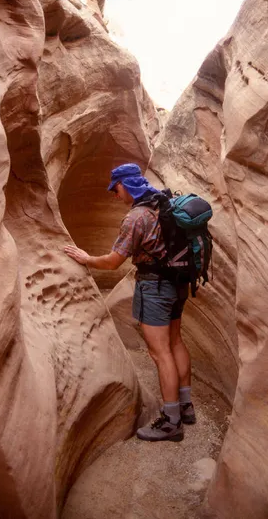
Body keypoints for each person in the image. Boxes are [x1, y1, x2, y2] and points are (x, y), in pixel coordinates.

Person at [64, 163, 195, 442]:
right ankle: (186, 406)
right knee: (175, 342)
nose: (115, 195)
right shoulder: (165, 204)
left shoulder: (136, 217)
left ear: (126, 185)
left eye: (116, 189)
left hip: (155, 287)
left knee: (161, 354)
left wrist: (87, 259)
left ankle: (172, 422)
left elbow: (113, 262)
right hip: (178, 282)